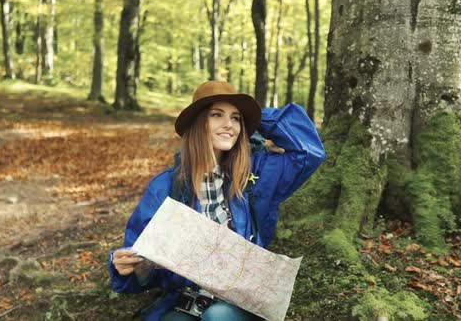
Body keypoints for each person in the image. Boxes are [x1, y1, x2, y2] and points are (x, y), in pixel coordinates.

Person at [108, 80, 326, 321]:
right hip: (185, 302)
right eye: (216, 115)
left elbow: (309, 151)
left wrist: (254, 116)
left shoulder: (257, 174)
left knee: (218, 316)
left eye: (235, 118)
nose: (228, 125)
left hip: (239, 305)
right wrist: (131, 266)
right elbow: (140, 257)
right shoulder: (166, 186)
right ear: (197, 122)